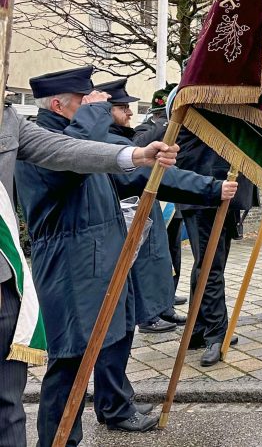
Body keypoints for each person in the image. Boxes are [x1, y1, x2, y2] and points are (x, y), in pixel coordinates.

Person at [14, 66, 180, 444]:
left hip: (99, 260)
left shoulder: (79, 134)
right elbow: (72, 160)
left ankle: (115, 409)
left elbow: (127, 168)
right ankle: (58, 442)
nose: (95, 109)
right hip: (69, 266)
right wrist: (95, 112)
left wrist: (211, 188)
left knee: (114, 338)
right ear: (57, 105)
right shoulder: (42, 142)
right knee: (70, 361)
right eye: (82, 102)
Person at [95, 79, 235, 338]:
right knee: (124, 300)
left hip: (156, 213)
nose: (129, 113)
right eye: (122, 108)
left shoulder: (117, 136)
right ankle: (163, 318)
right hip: (137, 220)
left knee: (172, 261)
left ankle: (169, 311)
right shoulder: (115, 139)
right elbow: (152, 173)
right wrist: (212, 188)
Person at [176, 123, 255, 366]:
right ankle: (215, 333)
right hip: (206, 192)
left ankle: (197, 329)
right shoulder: (202, 98)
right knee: (210, 266)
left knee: (206, 265)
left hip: (219, 190)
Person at [132, 85, 187, 307]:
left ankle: (168, 297)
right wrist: (170, 121)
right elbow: (137, 145)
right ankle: (154, 305)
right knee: (153, 254)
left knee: (173, 252)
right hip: (154, 201)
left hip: (173, 202)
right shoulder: (144, 128)